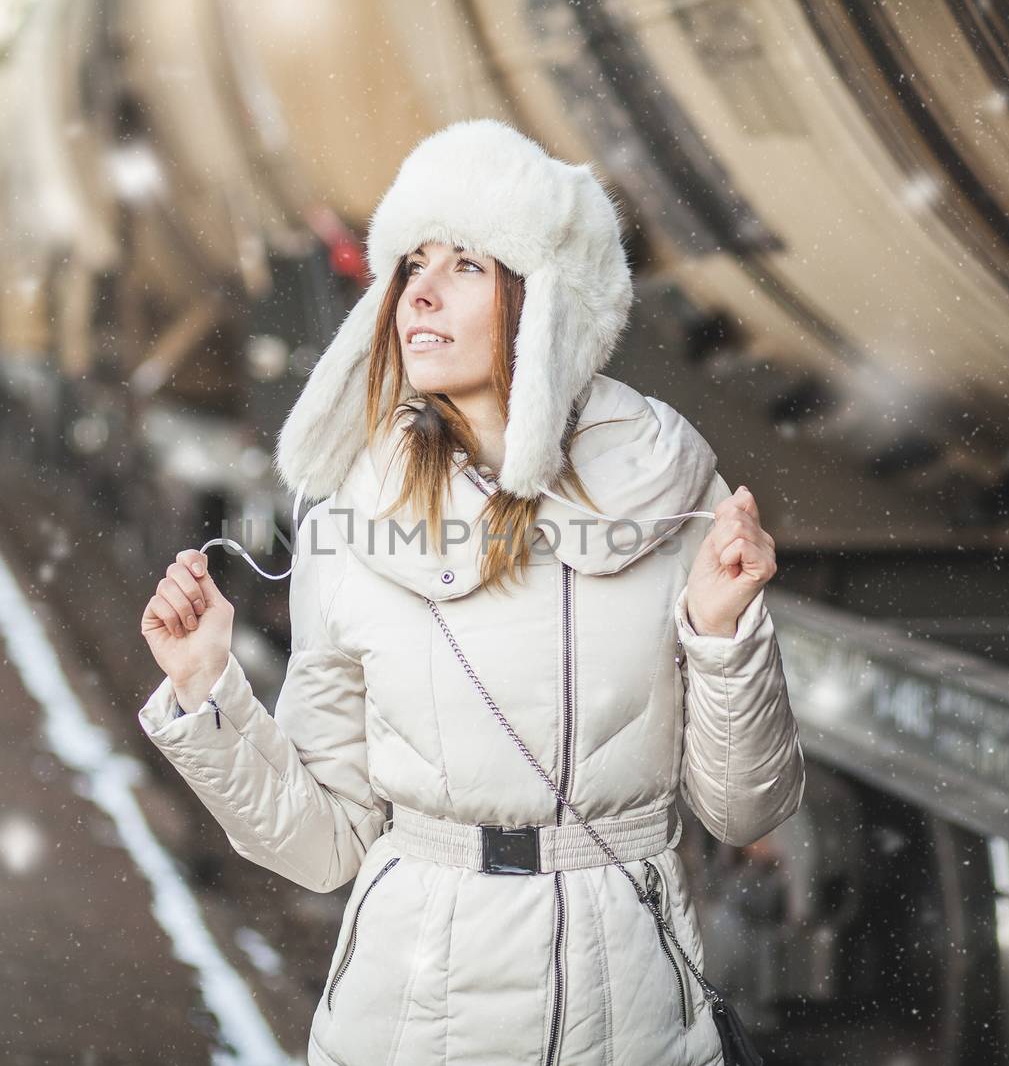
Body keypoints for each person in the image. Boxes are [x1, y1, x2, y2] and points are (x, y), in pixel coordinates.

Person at [135, 118, 804, 1066]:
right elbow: (324, 844)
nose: (421, 294)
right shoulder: (350, 514)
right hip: (411, 1017)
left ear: (547, 303)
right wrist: (210, 695)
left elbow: (744, 810)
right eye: (411, 265)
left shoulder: (668, 488)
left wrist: (724, 634)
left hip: (631, 1019)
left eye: (467, 265)